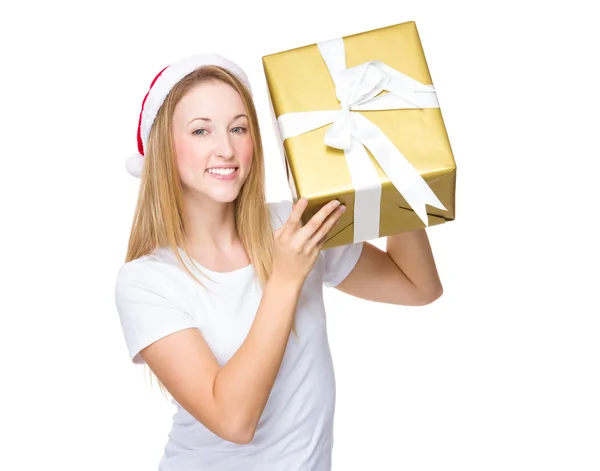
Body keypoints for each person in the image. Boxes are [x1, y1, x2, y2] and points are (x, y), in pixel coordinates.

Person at [114, 52, 444, 471]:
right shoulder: (146, 282)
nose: (226, 148)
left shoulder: (292, 224)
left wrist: (390, 172)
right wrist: (285, 278)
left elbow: (417, 287)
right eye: (201, 131)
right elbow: (234, 420)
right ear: (164, 150)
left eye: (239, 127)